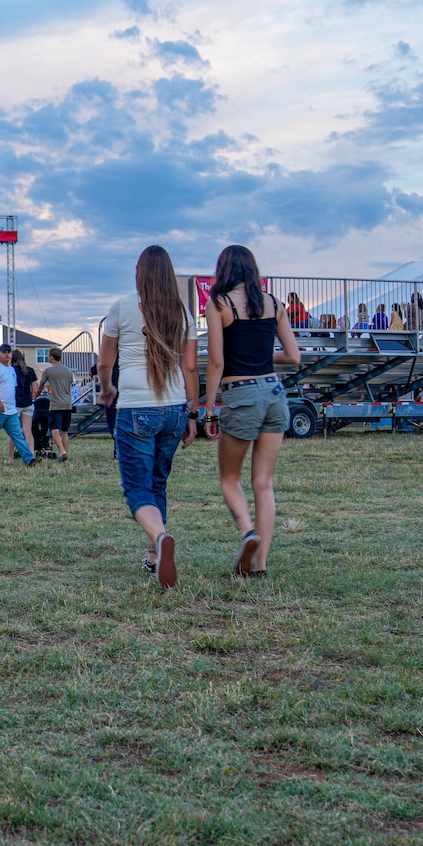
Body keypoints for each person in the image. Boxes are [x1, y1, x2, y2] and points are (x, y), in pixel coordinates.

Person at [100, 245, 199, 590]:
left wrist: (106, 388)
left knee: (136, 488)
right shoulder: (184, 313)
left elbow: (104, 362)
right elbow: (190, 368)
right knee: (158, 483)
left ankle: (159, 537)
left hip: (136, 406)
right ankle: (155, 559)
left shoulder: (123, 308)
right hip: (174, 408)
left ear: (140, 273)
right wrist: (193, 413)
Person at [201, 244, 302, 578]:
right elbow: (293, 357)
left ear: (224, 270)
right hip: (274, 394)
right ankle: (259, 565)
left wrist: (210, 409)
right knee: (264, 483)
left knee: (230, 478)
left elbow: (216, 361)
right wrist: (260, 353)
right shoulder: (276, 304)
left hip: (241, 394)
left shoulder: (219, 304)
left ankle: (248, 533)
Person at [0, 340, 38, 467]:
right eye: (4, 352)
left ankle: (29, 459)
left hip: (11, 410)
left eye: (9, 352)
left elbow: (11, 387)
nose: (7, 354)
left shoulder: (11, 370)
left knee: (18, 436)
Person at [39, 353, 76, 461]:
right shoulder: (68, 371)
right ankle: (65, 453)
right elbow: (70, 384)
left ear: (51, 357)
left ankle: (62, 451)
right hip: (67, 404)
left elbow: (40, 387)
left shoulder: (48, 371)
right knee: (64, 431)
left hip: (56, 404)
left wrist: (35, 397)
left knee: (55, 430)